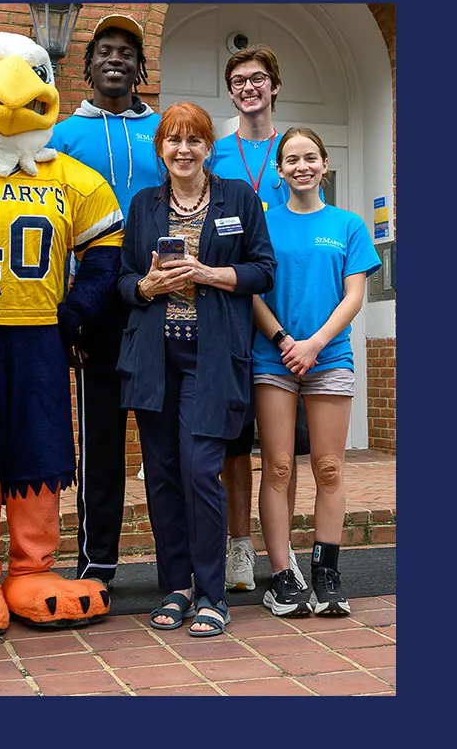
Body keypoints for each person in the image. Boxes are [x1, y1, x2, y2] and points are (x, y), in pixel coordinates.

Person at [0, 31, 120, 638]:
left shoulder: (73, 177)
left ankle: (33, 567)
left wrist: (75, 311)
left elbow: (105, 251)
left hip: (39, 334)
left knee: (42, 448)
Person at [117, 101, 273, 637]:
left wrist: (208, 273)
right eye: (173, 140)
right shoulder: (143, 205)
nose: (183, 150)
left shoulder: (239, 199)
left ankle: (211, 593)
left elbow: (262, 271)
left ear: (210, 148)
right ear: (161, 148)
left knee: (199, 469)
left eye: (194, 140)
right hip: (154, 356)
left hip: (211, 356)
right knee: (161, 475)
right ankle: (177, 585)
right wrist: (145, 286)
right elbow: (123, 279)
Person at [45, 14, 158, 590]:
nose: (115, 59)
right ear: (88, 66)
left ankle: (182, 564)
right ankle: (99, 564)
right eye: (104, 51)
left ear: (141, 69)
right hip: (94, 300)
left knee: (168, 437)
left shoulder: (165, 131)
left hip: (160, 295)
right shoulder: (62, 135)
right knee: (102, 437)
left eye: (126, 53)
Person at [253, 128, 380, 618]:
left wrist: (314, 344)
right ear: (279, 170)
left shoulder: (347, 225)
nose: (301, 166)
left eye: (310, 157)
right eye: (291, 159)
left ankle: (326, 570)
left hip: (329, 358)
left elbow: (353, 296)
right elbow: (252, 293)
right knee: (279, 467)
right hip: (272, 358)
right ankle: (283, 576)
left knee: (329, 468)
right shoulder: (263, 224)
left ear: (323, 164)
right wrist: (286, 342)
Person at [208, 44, 310, 592]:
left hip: (287, 316)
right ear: (231, 91)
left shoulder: (293, 150)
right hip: (229, 312)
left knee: (280, 450)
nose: (249, 88)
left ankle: (282, 547)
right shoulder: (216, 154)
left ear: (274, 85)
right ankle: (239, 546)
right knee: (232, 442)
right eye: (239, 81)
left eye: (258, 79)